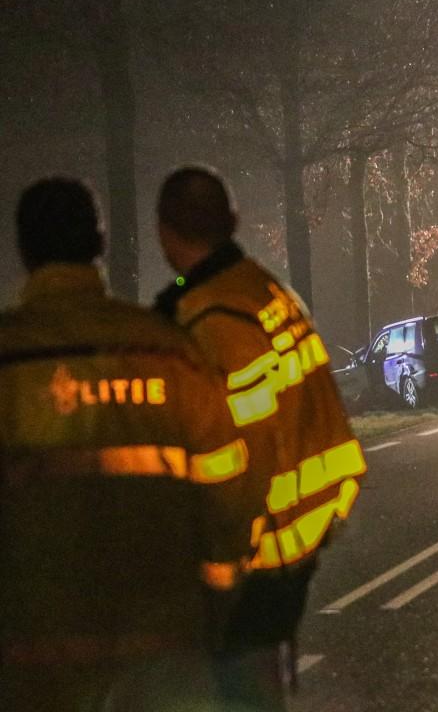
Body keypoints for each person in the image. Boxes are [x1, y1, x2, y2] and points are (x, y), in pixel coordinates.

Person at [0, 178, 252, 711]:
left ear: (23, 249)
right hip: (165, 648)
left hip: (35, 660)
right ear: (101, 242)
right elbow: (227, 488)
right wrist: (221, 599)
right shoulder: (168, 350)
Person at [153, 165, 366, 710]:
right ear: (233, 221)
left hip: (259, 547)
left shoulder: (213, 319)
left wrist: (215, 568)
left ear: (164, 233)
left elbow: (233, 464)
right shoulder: (265, 289)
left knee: (237, 687)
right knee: (256, 684)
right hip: (304, 528)